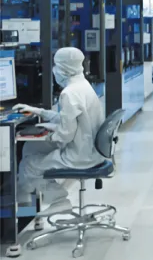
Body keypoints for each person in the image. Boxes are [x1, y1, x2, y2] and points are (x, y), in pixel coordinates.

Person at [14, 47, 105, 216]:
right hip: (91, 150)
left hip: (80, 157)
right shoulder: (83, 85)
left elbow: (65, 135)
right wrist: (37, 111)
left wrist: (46, 134)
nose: (54, 70)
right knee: (30, 148)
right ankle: (25, 196)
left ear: (65, 68)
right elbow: (68, 119)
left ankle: (57, 201)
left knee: (28, 165)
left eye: (56, 65)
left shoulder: (69, 93)